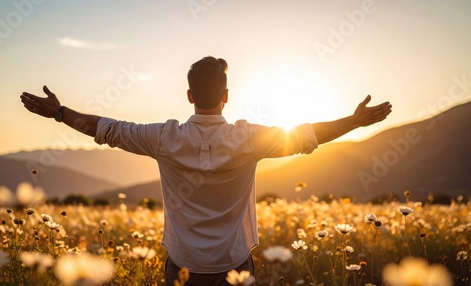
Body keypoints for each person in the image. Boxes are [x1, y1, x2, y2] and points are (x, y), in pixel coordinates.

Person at [20, 56, 392, 285]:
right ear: (226, 96)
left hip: (182, 265)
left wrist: (59, 112)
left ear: (189, 96)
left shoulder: (163, 138)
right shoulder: (248, 138)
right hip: (235, 263)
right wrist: (354, 121)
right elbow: (306, 136)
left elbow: (107, 130)